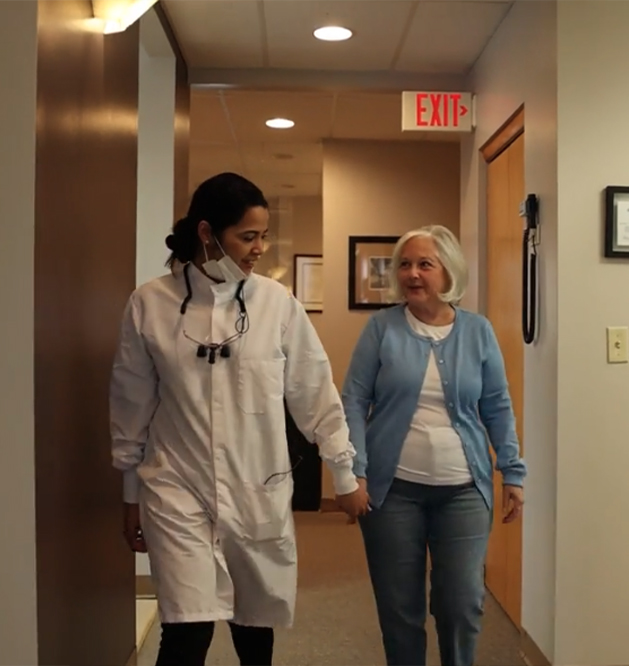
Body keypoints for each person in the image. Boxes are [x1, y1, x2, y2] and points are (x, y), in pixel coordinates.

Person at [109, 172, 369, 666]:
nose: (259, 249)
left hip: (257, 488)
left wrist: (343, 471)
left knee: (254, 631)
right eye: (247, 237)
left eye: (263, 236)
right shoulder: (150, 304)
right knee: (186, 630)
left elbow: (314, 394)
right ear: (207, 233)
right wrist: (130, 494)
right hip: (175, 487)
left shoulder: (276, 304)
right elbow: (130, 404)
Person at [341, 225, 526, 666]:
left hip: (463, 491)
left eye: (425, 263)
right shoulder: (380, 329)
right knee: (399, 610)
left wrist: (512, 471)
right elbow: (352, 400)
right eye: (405, 264)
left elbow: (497, 405)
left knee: (460, 604)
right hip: (392, 492)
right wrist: (356, 472)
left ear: (449, 272)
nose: (412, 273)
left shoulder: (477, 331)